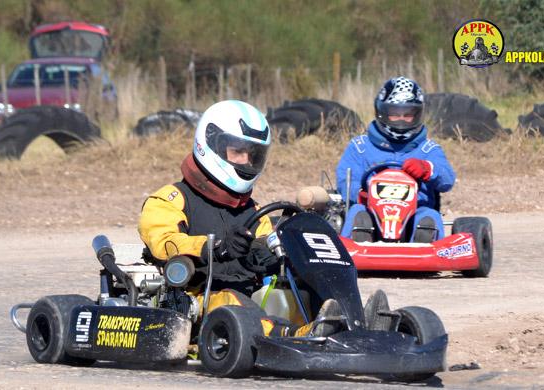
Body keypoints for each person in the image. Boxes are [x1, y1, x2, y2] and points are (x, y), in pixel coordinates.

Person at [139, 99, 339, 337]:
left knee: (297, 286)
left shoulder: (254, 210)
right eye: (237, 151)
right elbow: (164, 244)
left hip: (249, 297)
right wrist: (216, 247)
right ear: (210, 143)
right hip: (196, 299)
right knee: (231, 300)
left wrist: (276, 252)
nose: (245, 161)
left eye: (252, 154)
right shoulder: (169, 199)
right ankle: (293, 336)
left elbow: (265, 251)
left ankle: (343, 325)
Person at [336, 76, 456, 243]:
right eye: (395, 113)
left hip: (415, 213)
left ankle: (423, 246)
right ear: (382, 112)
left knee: (429, 216)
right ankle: (357, 244)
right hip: (370, 211)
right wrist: (362, 193)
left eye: (408, 114)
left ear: (418, 114)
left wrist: (428, 169)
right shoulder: (360, 146)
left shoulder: (428, 149)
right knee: (358, 212)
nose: (401, 119)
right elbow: (345, 181)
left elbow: (448, 180)